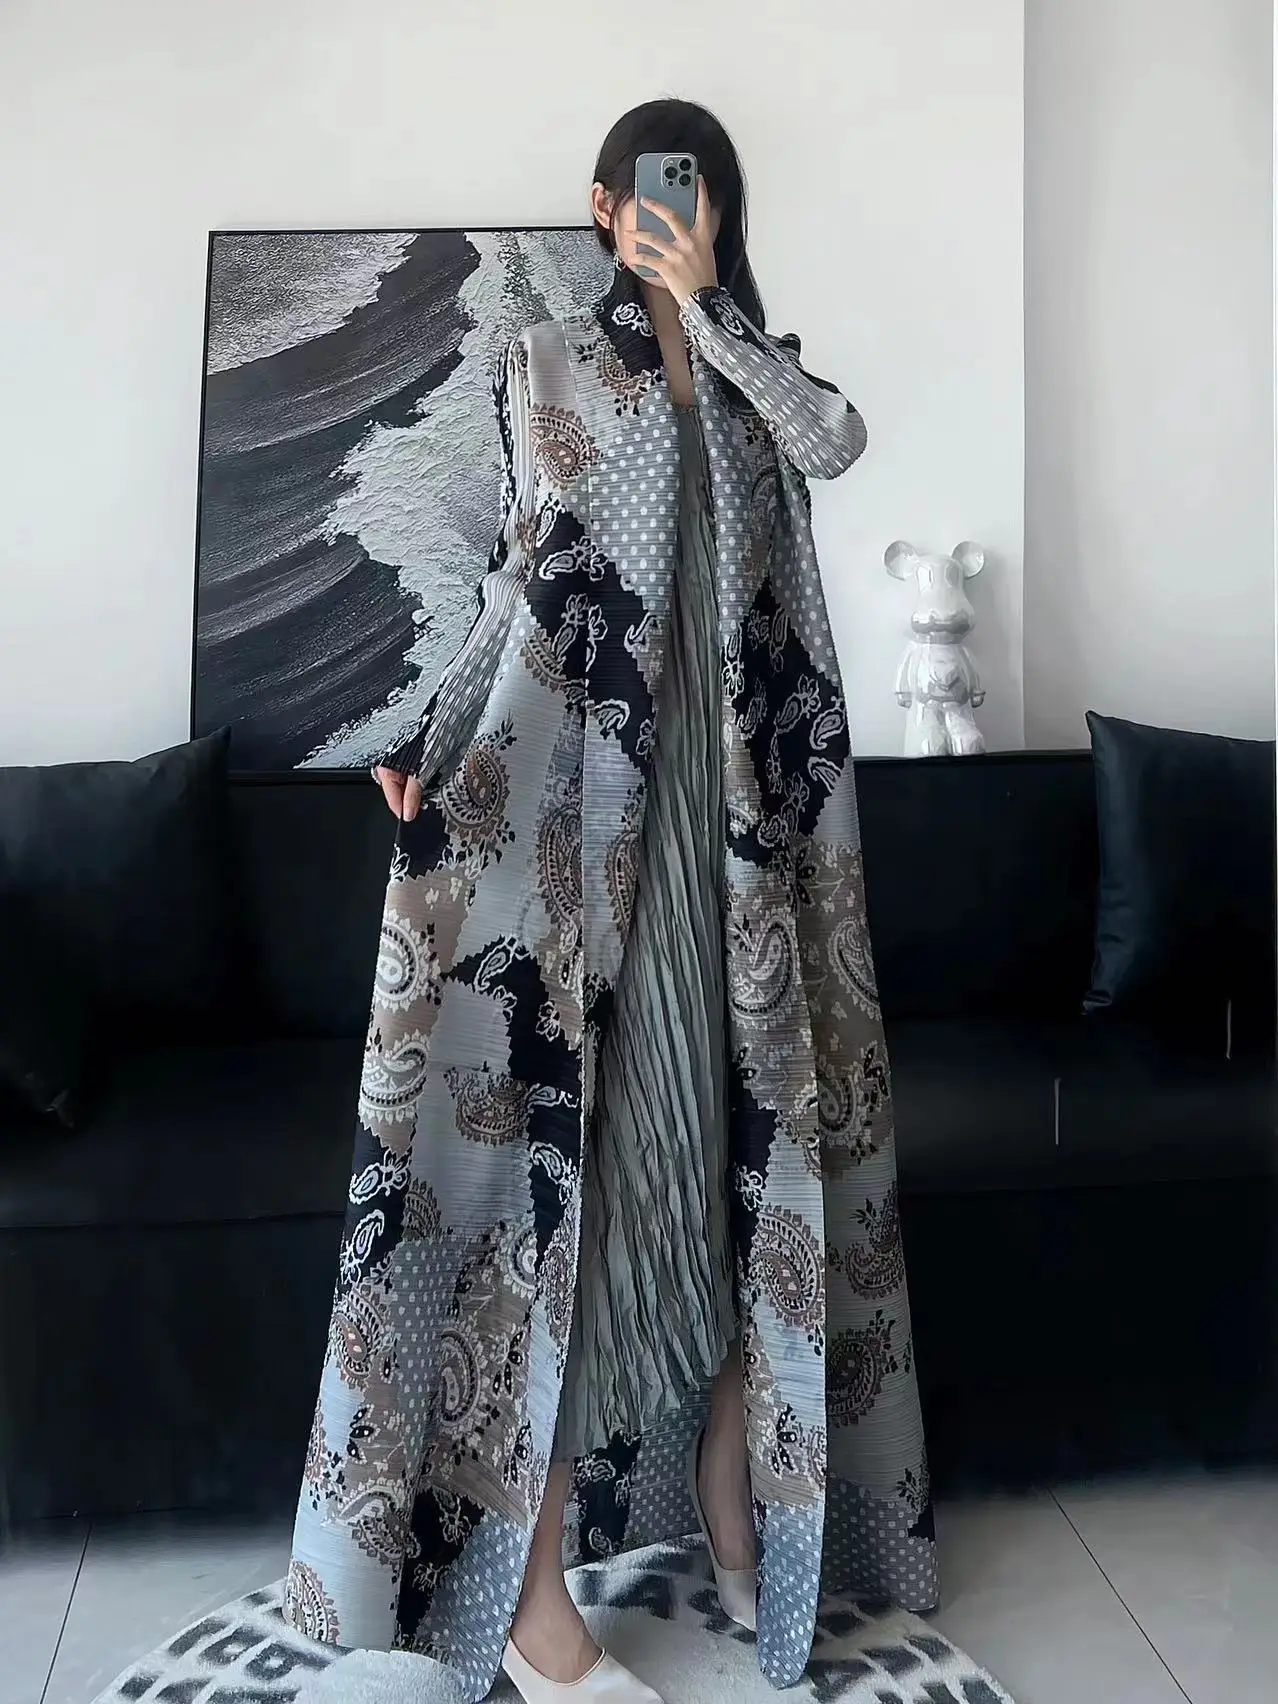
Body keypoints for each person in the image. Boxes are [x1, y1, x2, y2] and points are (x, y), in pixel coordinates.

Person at [284, 98, 937, 1704]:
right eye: (648, 187)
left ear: (718, 206)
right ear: (599, 205)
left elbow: (839, 445)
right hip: (581, 838)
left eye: (695, 186)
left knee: (744, 1168)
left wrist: (710, 311)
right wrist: (433, 747)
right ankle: (528, 1601)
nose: (668, 207)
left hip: (752, 855)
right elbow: (519, 582)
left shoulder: (761, 369)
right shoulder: (548, 363)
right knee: (579, 1196)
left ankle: (734, 1494)